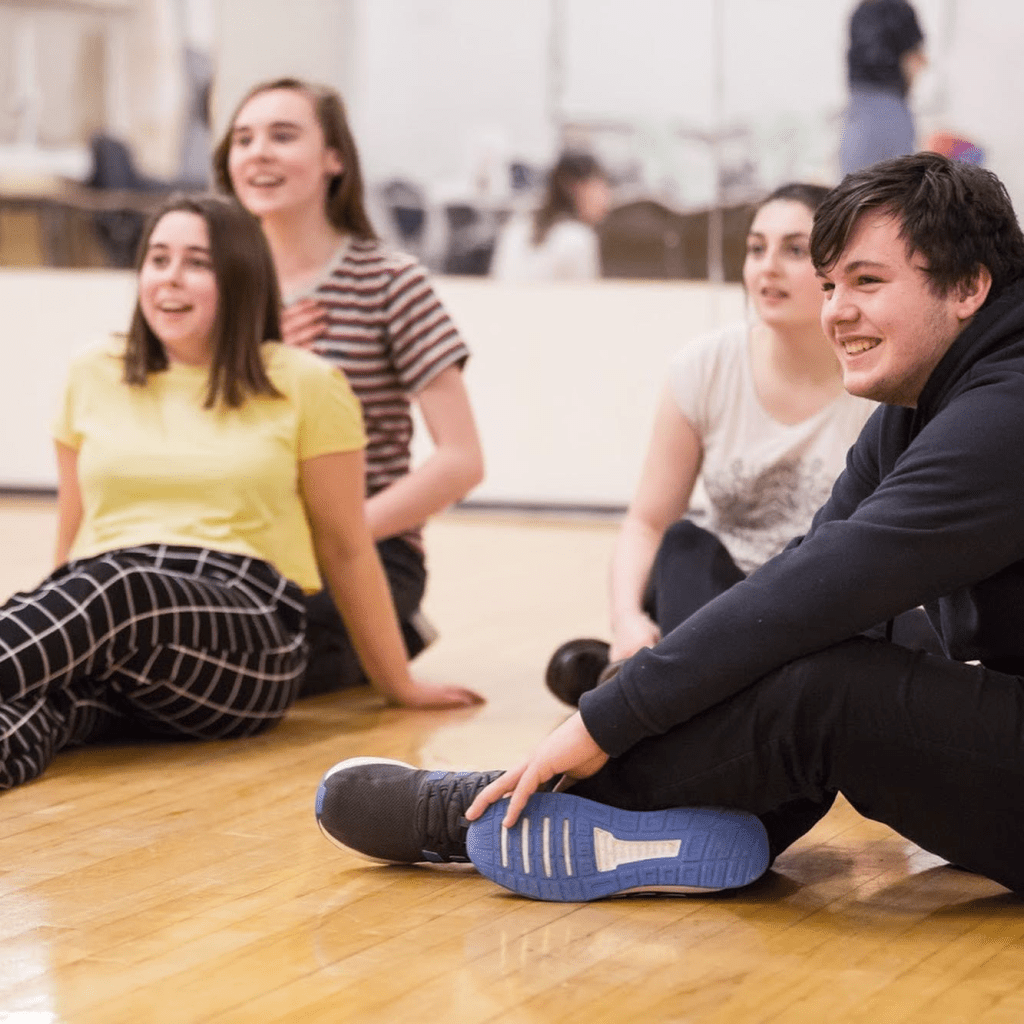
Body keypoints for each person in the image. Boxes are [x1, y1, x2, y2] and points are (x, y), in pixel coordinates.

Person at [315, 153, 1024, 902]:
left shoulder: (1007, 408)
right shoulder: (918, 405)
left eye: (868, 281)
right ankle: (685, 825)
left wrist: (603, 722)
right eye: (831, 285)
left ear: (970, 285)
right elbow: (811, 568)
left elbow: (827, 584)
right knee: (792, 632)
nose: (835, 312)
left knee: (828, 689)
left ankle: (497, 807)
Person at [0, 193, 485, 792]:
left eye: (197, 263)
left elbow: (346, 546)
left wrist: (398, 685)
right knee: (42, 706)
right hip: (111, 608)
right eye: (158, 259)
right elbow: (73, 532)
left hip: (245, 624)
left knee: (122, 587)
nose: (170, 279)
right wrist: (63, 642)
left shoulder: (307, 382)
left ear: (240, 278)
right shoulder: (92, 370)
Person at [545, 183, 879, 706]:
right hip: (711, 601)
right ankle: (650, 667)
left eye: (794, 250)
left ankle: (642, 684)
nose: (767, 267)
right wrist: (627, 619)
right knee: (682, 544)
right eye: (755, 248)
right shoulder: (704, 366)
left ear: (839, 267)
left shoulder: (878, 379)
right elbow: (647, 522)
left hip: (817, 610)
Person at [213, 78, 484, 702]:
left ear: (334, 158)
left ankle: (385, 633)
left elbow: (461, 461)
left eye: (283, 136)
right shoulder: (214, 286)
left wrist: (342, 534)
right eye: (244, 139)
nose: (258, 153)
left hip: (362, 556)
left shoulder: (391, 282)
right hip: (242, 547)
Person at [490, 151, 611, 282]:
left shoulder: (516, 227)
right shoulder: (578, 237)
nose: (607, 197)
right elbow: (586, 297)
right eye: (601, 187)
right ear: (575, 187)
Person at [839, 0, 926, 177]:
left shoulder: (860, 12)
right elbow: (913, 60)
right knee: (900, 180)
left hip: (859, 104)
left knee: (855, 180)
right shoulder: (901, 10)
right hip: (890, 103)